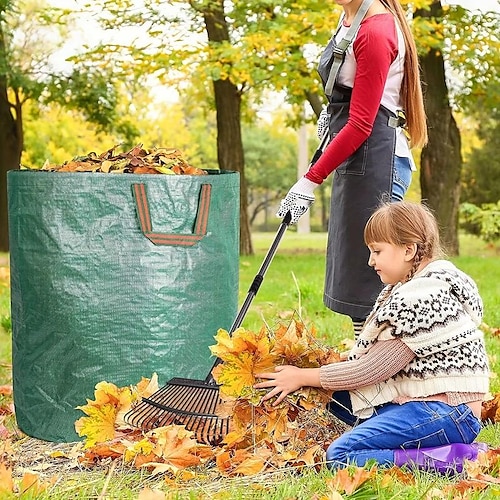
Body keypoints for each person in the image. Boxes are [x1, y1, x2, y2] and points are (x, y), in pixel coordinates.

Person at [255, 201, 490, 474]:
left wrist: (301, 376)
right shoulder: (418, 286)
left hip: (447, 414)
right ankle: (417, 446)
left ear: (408, 250)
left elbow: (371, 369)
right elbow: (374, 359)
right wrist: (320, 369)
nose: (371, 261)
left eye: (377, 251)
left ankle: (450, 460)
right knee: (331, 394)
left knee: (340, 455)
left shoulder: (422, 298)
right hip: (432, 407)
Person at [277, 0, 428, 338]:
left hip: (375, 157)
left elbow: (361, 124)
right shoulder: (349, 17)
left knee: (372, 279)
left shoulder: (376, 31)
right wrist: (330, 115)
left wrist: (308, 180)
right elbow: (351, 90)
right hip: (356, 153)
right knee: (356, 273)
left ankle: (382, 372)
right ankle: (365, 367)